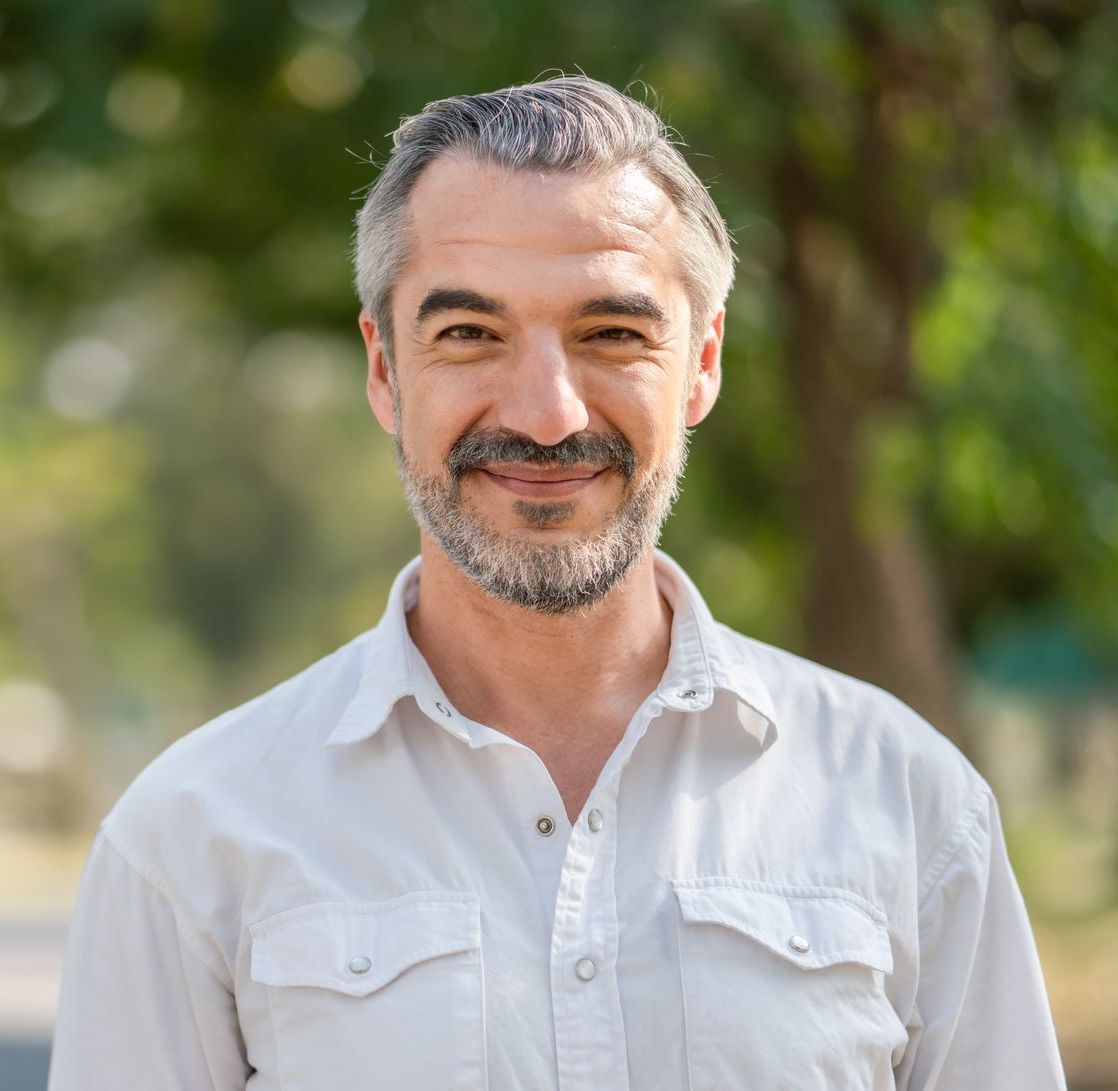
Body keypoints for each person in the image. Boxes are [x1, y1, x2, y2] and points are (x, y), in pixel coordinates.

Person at [48, 75, 1066, 1090]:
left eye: (611, 333)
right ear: (383, 370)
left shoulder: (910, 802)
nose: (544, 413)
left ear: (701, 363)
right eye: (468, 334)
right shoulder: (190, 834)